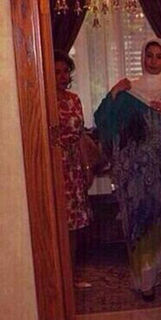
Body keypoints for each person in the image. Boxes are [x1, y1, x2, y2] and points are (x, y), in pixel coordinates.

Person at [94, 38, 161, 300]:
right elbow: (103, 121)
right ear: (143, 58)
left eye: (159, 56)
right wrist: (113, 93)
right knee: (142, 221)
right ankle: (146, 281)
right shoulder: (130, 92)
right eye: (149, 55)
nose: (153, 61)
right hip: (138, 172)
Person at [54, 50, 93, 289]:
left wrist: (86, 166)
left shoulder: (74, 99)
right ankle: (57, 276)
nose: (62, 76)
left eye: (65, 71)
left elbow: (80, 136)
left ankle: (71, 275)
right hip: (55, 166)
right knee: (58, 223)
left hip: (74, 166)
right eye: (56, 72)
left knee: (75, 226)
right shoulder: (44, 99)